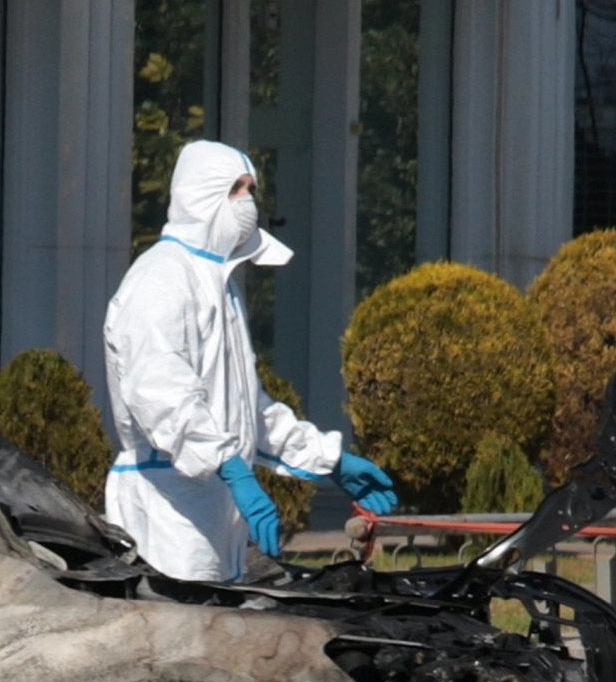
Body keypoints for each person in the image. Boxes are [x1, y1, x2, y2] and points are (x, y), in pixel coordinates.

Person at [103, 139, 398, 582]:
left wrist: (329, 460)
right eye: (236, 189)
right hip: (168, 506)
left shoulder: (219, 286)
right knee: (180, 638)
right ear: (201, 195)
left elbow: (247, 411)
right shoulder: (161, 279)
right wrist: (231, 466)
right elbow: (160, 393)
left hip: (210, 504)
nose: (249, 202)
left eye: (252, 189)